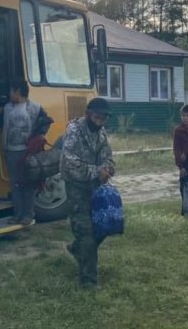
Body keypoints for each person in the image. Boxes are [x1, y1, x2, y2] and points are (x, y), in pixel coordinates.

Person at [61, 97, 116, 288]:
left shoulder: (101, 133)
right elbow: (70, 162)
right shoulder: (74, 131)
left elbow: (107, 155)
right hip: (76, 187)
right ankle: (88, 280)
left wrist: (108, 168)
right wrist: (95, 171)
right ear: (88, 115)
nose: (100, 122)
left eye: (103, 119)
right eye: (97, 117)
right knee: (86, 233)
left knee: (103, 227)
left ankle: (77, 250)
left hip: (95, 188)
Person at [0, 80, 45, 226]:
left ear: (18, 91)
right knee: (15, 184)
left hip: (26, 152)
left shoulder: (34, 107)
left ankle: (28, 215)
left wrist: (37, 137)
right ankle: (18, 214)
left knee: (27, 184)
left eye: (11, 91)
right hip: (10, 150)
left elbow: (46, 121)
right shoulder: (8, 107)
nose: (10, 94)